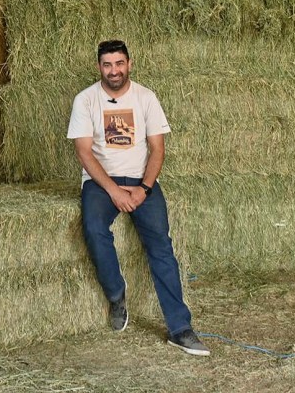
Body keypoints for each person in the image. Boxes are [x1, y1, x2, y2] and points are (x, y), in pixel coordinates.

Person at [67, 39, 210, 356]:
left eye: (119, 63)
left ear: (129, 64)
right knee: (93, 228)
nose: (114, 70)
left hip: (141, 180)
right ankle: (116, 294)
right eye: (107, 64)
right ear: (99, 67)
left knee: (161, 243)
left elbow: (158, 149)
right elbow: (84, 152)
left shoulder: (146, 98)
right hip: (100, 182)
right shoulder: (86, 100)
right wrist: (114, 190)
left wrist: (144, 188)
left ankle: (180, 328)